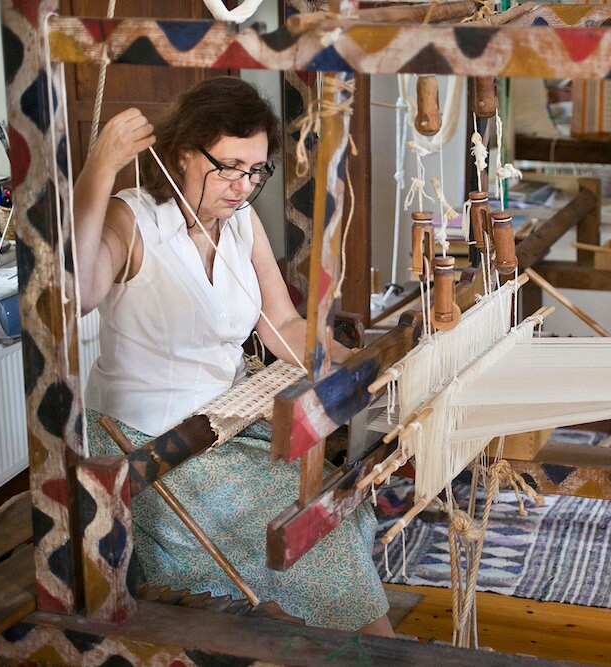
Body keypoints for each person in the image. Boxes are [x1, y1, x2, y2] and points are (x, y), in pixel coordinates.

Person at [74, 76, 392, 636]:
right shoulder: (135, 220)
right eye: (227, 167)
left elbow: (283, 325)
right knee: (315, 545)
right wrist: (100, 165)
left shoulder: (239, 221)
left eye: (254, 170)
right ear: (180, 154)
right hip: (146, 446)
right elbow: (77, 290)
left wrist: (352, 363)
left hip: (220, 426)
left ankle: (339, 638)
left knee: (331, 512)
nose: (243, 186)